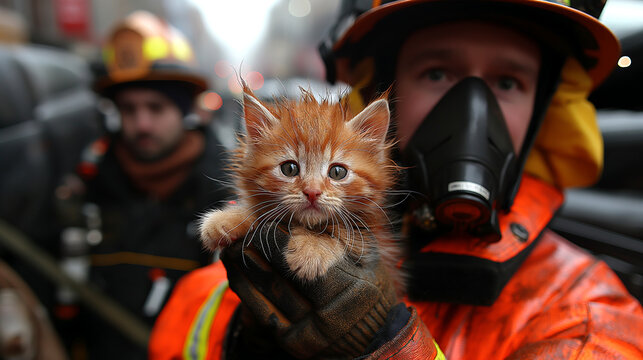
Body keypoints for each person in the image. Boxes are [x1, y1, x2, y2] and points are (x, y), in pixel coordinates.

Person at [149, 1, 643, 359]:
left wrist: (390, 345)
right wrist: (242, 338)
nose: (471, 112)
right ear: (379, 97)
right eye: (437, 74)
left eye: (507, 82)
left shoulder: (588, 310)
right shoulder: (238, 265)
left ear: (544, 113)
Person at [50, 11, 229, 360]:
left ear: (185, 110)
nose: (141, 124)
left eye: (156, 107)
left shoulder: (224, 193)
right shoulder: (89, 182)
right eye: (129, 109)